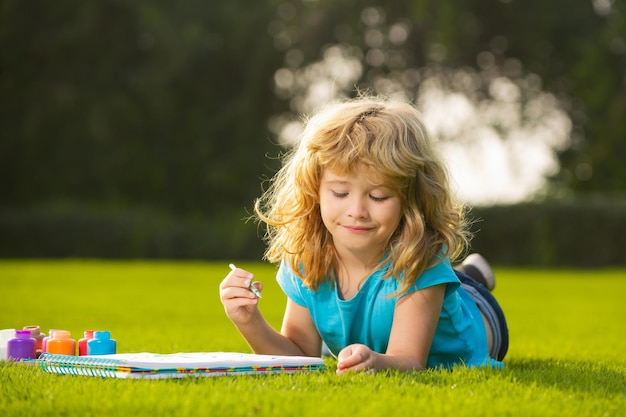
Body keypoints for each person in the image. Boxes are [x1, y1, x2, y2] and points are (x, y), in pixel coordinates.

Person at [219, 96, 508, 374]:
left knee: (472, 306)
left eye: (379, 196)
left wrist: (377, 362)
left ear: (411, 199)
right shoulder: (307, 257)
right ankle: (464, 274)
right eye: (340, 192)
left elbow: (408, 359)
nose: (357, 210)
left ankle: (471, 278)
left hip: (477, 323)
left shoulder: (421, 261)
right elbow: (300, 354)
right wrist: (249, 321)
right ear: (314, 190)